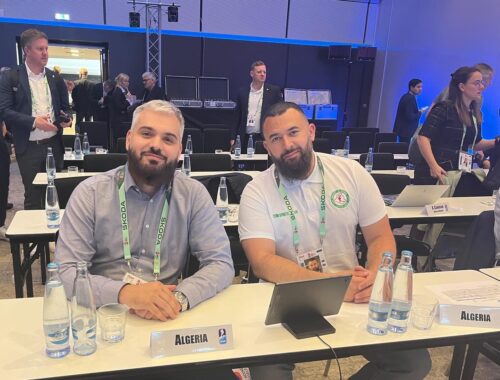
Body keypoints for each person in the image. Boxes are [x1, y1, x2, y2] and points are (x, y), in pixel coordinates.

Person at [238, 102, 431, 380]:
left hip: (354, 296)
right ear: (266, 147)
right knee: (268, 375)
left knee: (412, 362)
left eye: (294, 132)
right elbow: (262, 262)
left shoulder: (351, 173)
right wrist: (330, 288)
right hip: (286, 300)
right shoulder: (256, 191)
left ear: (311, 132)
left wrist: (375, 278)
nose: (287, 144)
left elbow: (380, 236)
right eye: (276, 138)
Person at [55, 100, 234, 322]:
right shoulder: (90, 194)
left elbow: (221, 263)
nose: (156, 145)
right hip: (101, 314)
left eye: (168, 139)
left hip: (166, 315)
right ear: (129, 139)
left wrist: (177, 298)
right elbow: (66, 271)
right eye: (147, 134)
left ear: (179, 151)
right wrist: (126, 293)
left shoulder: (193, 194)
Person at [0, 28, 72, 210]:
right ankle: (35, 239)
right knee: (33, 197)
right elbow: (4, 111)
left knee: (56, 194)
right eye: (40, 49)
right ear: (27, 51)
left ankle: (58, 237)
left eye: (46, 48)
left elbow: (66, 108)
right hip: (29, 147)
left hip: (54, 145)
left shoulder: (55, 78)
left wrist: (67, 119)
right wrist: (33, 121)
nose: (45, 53)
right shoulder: (11, 77)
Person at [416, 66, 498, 188]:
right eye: (476, 83)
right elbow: (423, 138)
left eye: (481, 83)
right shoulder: (444, 108)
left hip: (458, 174)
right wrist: (433, 166)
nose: (481, 87)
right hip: (435, 173)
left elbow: (475, 143)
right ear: (462, 87)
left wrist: (496, 141)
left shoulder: (475, 114)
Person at [230, 60, 282, 151]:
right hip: (244, 137)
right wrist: (233, 137)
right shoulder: (242, 92)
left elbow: (280, 114)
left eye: (264, 72)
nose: (262, 74)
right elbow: (236, 116)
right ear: (251, 73)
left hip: (263, 138)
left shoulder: (273, 92)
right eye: (259, 72)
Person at [393, 78, 425, 143]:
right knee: (404, 151)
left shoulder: (405, 96)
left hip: (402, 130)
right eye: (418, 87)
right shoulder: (410, 98)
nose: (420, 89)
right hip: (406, 131)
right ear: (411, 87)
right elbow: (410, 117)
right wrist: (420, 112)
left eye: (421, 87)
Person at [109, 73, 134, 146]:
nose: (128, 83)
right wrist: (128, 101)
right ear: (120, 82)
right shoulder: (117, 91)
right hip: (118, 121)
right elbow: (119, 106)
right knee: (119, 140)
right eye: (125, 81)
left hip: (120, 120)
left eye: (128, 81)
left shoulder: (122, 91)